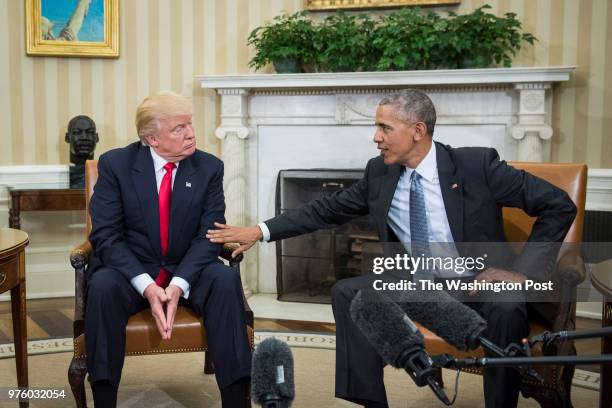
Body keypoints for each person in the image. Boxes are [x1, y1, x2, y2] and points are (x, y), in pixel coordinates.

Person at [206, 89, 577, 408]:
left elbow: (558, 204)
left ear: (418, 131)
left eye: (385, 127)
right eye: (377, 127)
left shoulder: (477, 165)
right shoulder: (379, 173)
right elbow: (325, 210)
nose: (375, 137)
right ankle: (371, 401)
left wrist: (522, 274)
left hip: (477, 283)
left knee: (508, 303)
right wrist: (259, 230)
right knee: (349, 293)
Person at [86, 91, 251, 407]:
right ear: (152, 138)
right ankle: (104, 399)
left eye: (190, 124)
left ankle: (236, 400)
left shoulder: (208, 167)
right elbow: (106, 235)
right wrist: (146, 286)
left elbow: (209, 235)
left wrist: (178, 284)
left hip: (187, 265)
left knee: (225, 280)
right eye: (179, 128)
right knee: (103, 286)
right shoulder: (117, 165)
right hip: (132, 268)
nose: (191, 134)